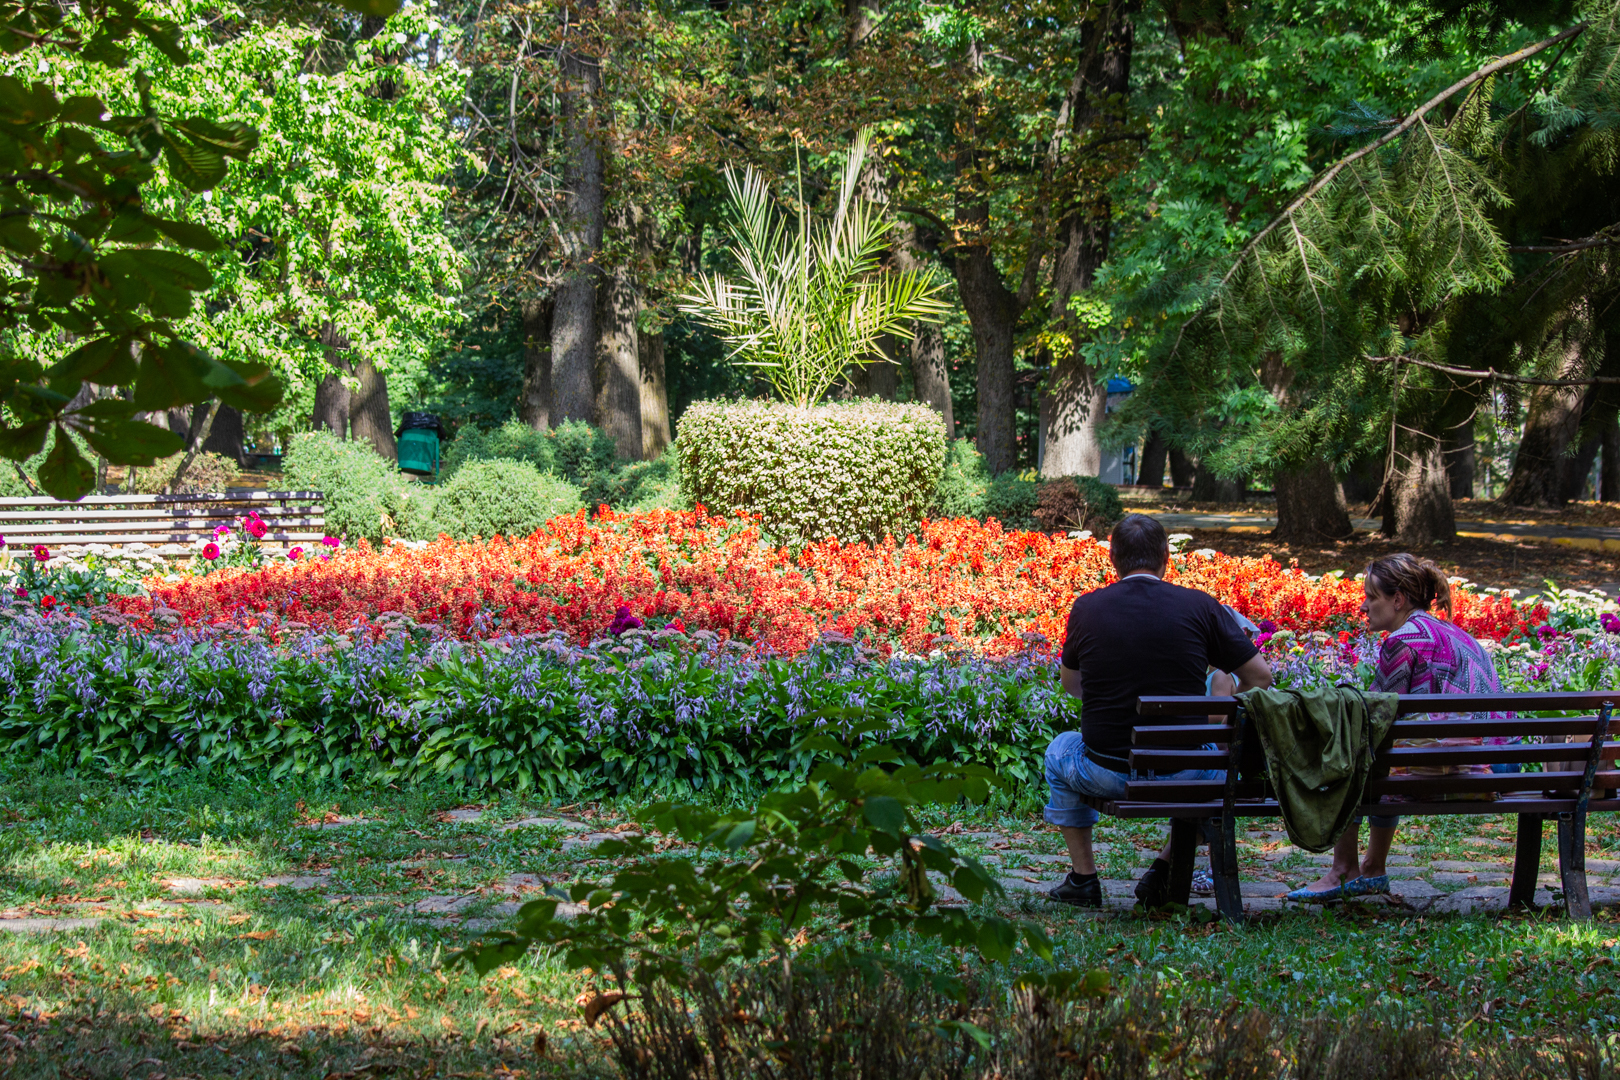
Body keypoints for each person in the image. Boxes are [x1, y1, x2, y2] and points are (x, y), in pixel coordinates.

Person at [1045, 514, 1275, 908]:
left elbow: (1071, 684)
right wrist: (1219, 712)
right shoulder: (1200, 606)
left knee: (1060, 749)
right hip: (1185, 771)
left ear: (1113, 558)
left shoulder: (1087, 608)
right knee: (1221, 767)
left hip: (1107, 772)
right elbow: (1261, 678)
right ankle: (1164, 869)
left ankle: (1084, 879)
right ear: (1166, 556)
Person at [1287, 553, 1507, 903]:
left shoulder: (1401, 642)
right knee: (1386, 756)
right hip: (1501, 764)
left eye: (1371, 597)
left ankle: (1344, 868)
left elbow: (1372, 723)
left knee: (1348, 750)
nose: (1363, 606)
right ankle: (1373, 867)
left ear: (1398, 599)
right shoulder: (1455, 633)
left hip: (1466, 767)